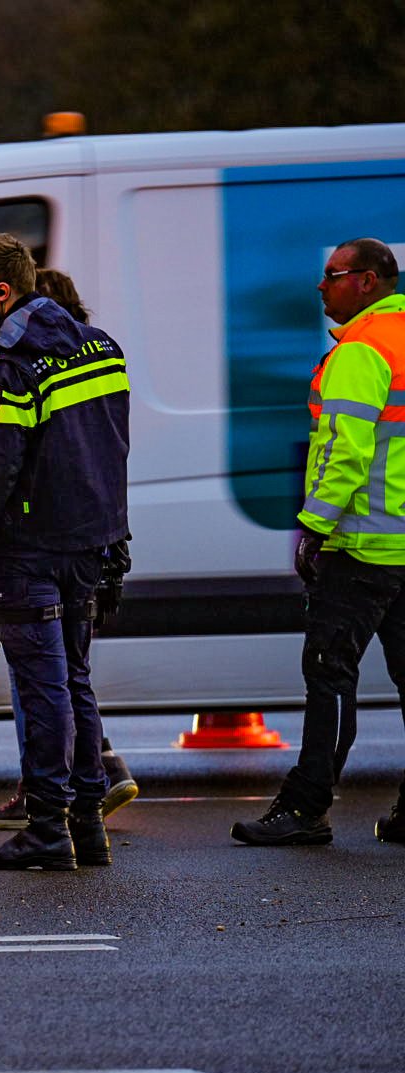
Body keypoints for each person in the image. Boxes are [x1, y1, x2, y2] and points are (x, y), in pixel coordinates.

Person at [0, 234, 131, 870]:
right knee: (74, 682)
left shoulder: (9, 363)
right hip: (90, 543)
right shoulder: (100, 348)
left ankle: (49, 830)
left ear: (2, 290)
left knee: (43, 688)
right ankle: (88, 828)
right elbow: (113, 450)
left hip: (28, 551)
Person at [233, 238, 405, 846]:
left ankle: (306, 807)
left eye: (330, 276)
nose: (320, 287)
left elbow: (344, 453)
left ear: (366, 281)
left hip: (362, 548)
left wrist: (313, 527)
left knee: (329, 676)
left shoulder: (362, 350)